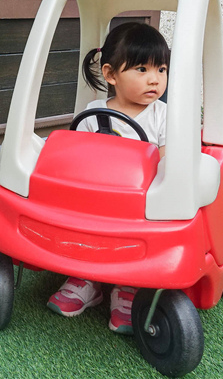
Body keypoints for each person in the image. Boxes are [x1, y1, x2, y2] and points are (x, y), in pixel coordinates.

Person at [46, 22, 170, 334]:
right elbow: (77, 161)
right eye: (142, 69)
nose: (154, 79)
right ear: (111, 74)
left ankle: (128, 287)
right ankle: (86, 279)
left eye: (161, 69)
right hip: (98, 200)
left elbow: (170, 161)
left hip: (143, 203)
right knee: (80, 220)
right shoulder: (93, 114)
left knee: (140, 235)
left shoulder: (163, 116)